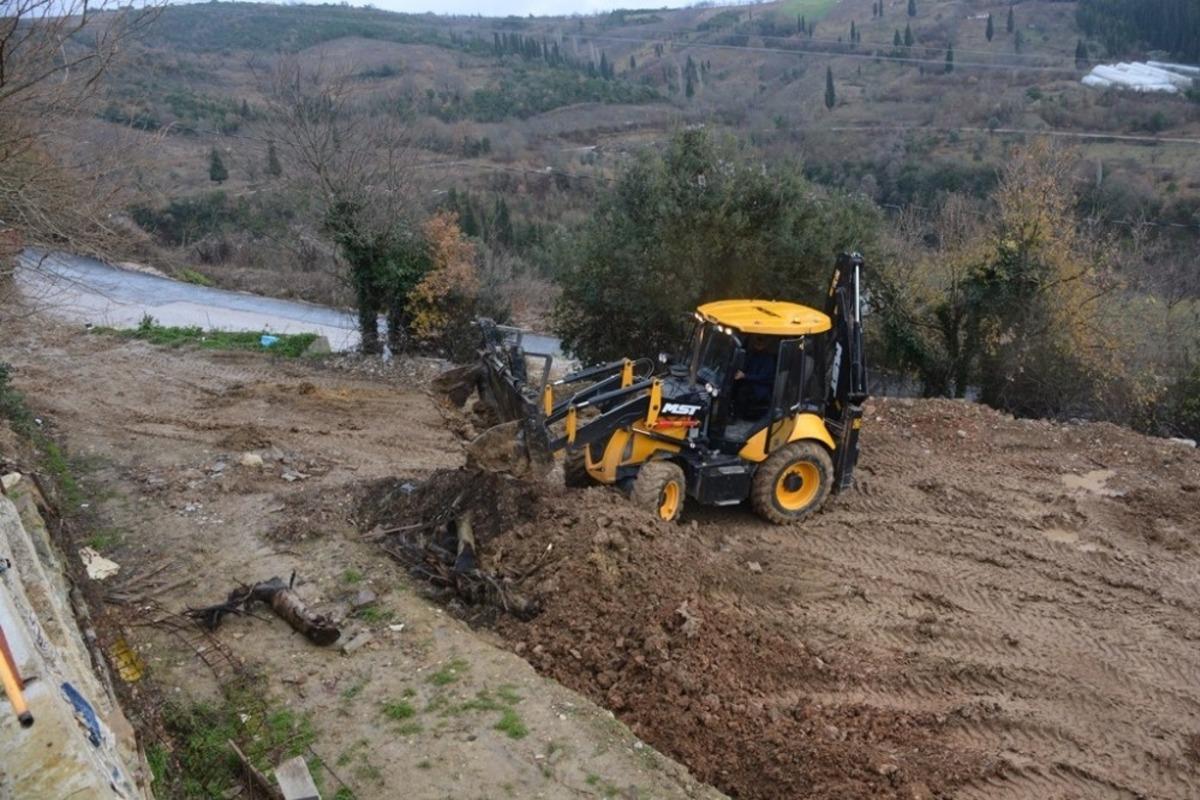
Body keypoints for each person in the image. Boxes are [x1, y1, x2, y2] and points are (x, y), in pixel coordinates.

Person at [734, 335, 776, 418]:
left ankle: (737, 415)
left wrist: (745, 376)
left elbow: (764, 377)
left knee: (742, 392)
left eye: (760, 343)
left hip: (761, 387)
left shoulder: (768, 359)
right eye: (756, 343)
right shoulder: (752, 355)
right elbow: (746, 367)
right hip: (749, 381)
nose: (757, 345)